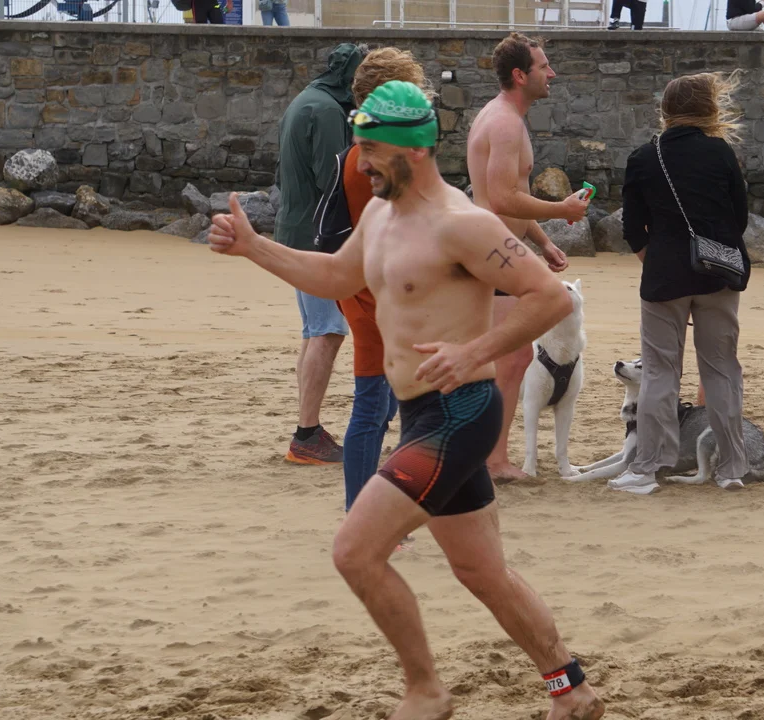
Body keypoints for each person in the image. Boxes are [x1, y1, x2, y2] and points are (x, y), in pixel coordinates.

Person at [208, 79, 606, 720]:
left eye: (371, 149)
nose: (360, 161)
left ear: (414, 150)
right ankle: (572, 689)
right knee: (482, 572)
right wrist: (255, 248)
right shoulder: (379, 215)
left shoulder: (463, 225)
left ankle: (425, 689)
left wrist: (475, 352)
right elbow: (336, 275)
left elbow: (551, 297)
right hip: (423, 413)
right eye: (358, 147)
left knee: (354, 552)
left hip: (460, 412)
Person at [609, 72, 753, 496]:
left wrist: (655, 260)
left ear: (666, 111)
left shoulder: (644, 156)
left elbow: (632, 227)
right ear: (709, 108)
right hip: (719, 273)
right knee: (722, 370)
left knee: (660, 372)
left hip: (664, 277)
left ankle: (647, 469)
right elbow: (739, 217)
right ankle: (731, 468)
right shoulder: (721, 152)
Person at [467, 33, 587, 483]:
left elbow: (506, 194)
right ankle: (493, 461)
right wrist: (562, 209)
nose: (551, 73)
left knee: (508, 356)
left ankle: (487, 455)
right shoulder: (504, 123)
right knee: (512, 357)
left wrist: (542, 240)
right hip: (493, 252)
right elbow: (501, 197)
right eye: (543, 66)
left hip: (501, 249)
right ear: (520, 75)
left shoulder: (505, 116)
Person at [336, 47, 432, 512]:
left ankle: (370, 510)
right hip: (373, 302)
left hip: (381, 300)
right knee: (372, 409)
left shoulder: (371, 154)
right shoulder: (369, 160)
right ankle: (361, 514)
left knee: (383, 407)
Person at [275, 43, 367, 466]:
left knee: (315, 331)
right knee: (327, 331)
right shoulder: (328, 111)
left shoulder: (305, 100)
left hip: (295, 229)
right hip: (316, 237)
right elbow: (335, 180)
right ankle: (306, 435)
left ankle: (307, 429)